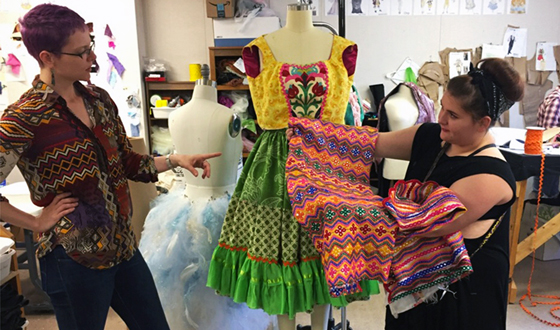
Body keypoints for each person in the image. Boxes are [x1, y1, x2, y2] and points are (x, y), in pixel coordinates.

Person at [0, 4, 220, 330]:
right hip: (73, 259)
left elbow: (128, 163)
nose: (92, 56)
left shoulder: (99, 100)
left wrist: (176, 160)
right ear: (48, 58)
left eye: (91, 44)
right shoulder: (24, 118)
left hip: (123, 250)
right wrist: (35, 222)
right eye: (81, 51)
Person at [206, 3, 378, 330]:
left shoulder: (343, 50)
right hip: (274, 171)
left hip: (329, 169)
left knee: (328, 253)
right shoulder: (258, 49)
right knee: (277, 253)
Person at [375, 58, 523, 329]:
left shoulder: (489, 176)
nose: (441, 118)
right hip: (421, 279)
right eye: (442, 106)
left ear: (482, 123)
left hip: (462, 294)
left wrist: (351, 208)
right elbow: (372, 144)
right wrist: (313, 136)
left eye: (453, 115)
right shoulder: (434, 136)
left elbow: (422, 224)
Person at [534, 84, 560, 198]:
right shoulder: (557, 101)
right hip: (548, 160)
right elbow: (550, 138)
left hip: (550, 161)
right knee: (546, 198)